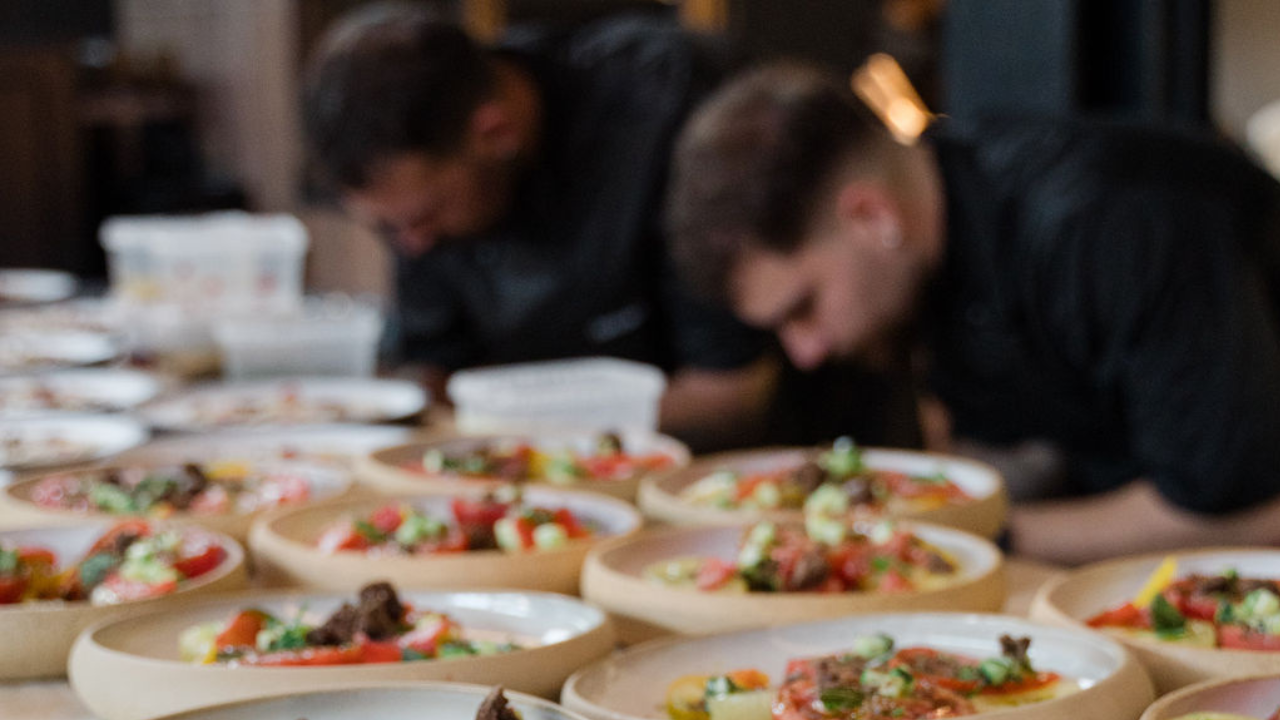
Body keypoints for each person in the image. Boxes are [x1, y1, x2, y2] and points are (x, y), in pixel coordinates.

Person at [667, 62, 1280, 564]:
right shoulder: (929, 245)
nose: (805, 352)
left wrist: (967, 540)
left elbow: (1235, 514)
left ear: (872, 218)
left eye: (803, 309)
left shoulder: (1111, 228)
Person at [301, 3, 778, 450]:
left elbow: (734, 393)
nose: (413, 244)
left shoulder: (671, 114)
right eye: (389, 230)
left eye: (425, 217)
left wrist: (533, 433)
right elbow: (434, 369)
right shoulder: (420, 200)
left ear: (495, 132)